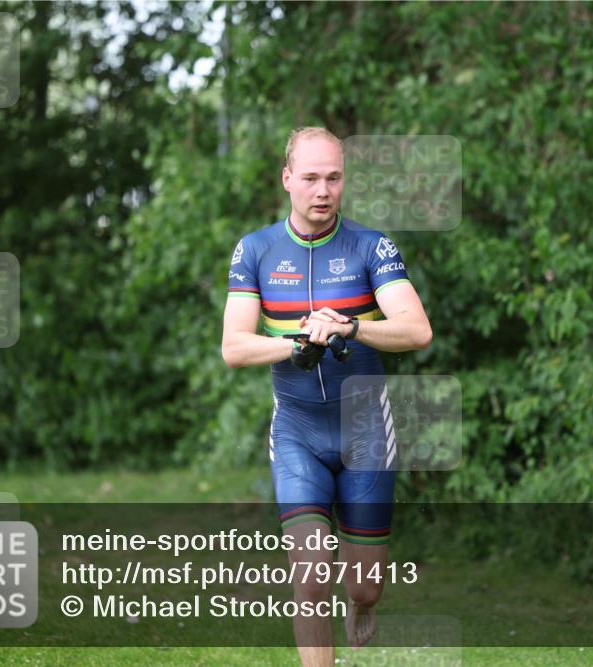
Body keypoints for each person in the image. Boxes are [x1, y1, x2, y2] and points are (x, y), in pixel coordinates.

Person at [221, 127, 432, 666]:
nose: (322, 190)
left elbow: (416, 331)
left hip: (365, 432)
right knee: (310, 574)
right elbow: (235, 347)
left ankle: (362, 606)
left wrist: (351, 329)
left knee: (364, 586)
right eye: (310, 177)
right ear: (287, 179)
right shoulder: (257, 250)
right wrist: (295, 342)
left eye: (333, 178)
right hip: (297, 431)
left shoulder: (371, 246)